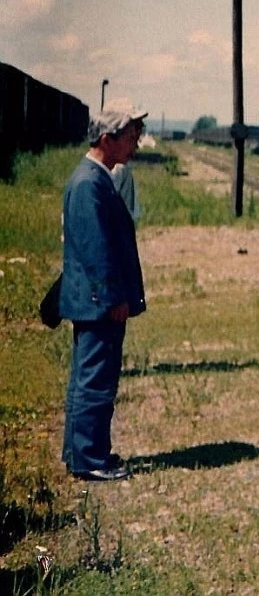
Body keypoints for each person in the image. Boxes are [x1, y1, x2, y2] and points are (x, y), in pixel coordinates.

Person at [60, 99, 148, 481]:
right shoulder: (89, 183)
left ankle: (80, 452)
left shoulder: (96, 179)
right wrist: (113, 298)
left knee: (89, 377)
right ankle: (90, 459)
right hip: (99, 303)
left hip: (96, 301)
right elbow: (95, 251)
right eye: (130, 136)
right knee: (95, 379)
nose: (136, 144)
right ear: (106, 138)